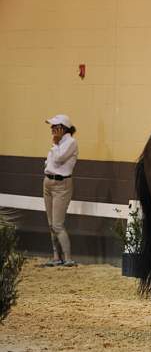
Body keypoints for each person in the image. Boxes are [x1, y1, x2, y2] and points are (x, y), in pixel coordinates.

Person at [43, 114, 78, 267]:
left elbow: (58, 159)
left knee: (57, 224)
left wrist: (56, 143)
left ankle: (68, 257)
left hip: (61, 185)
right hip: (48, 182)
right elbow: (49, 161)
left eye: (54, 126)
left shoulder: (71, 142)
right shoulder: (57, 143)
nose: (52, 128)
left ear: (62, 128)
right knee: (51, 223)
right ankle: (56, 256)